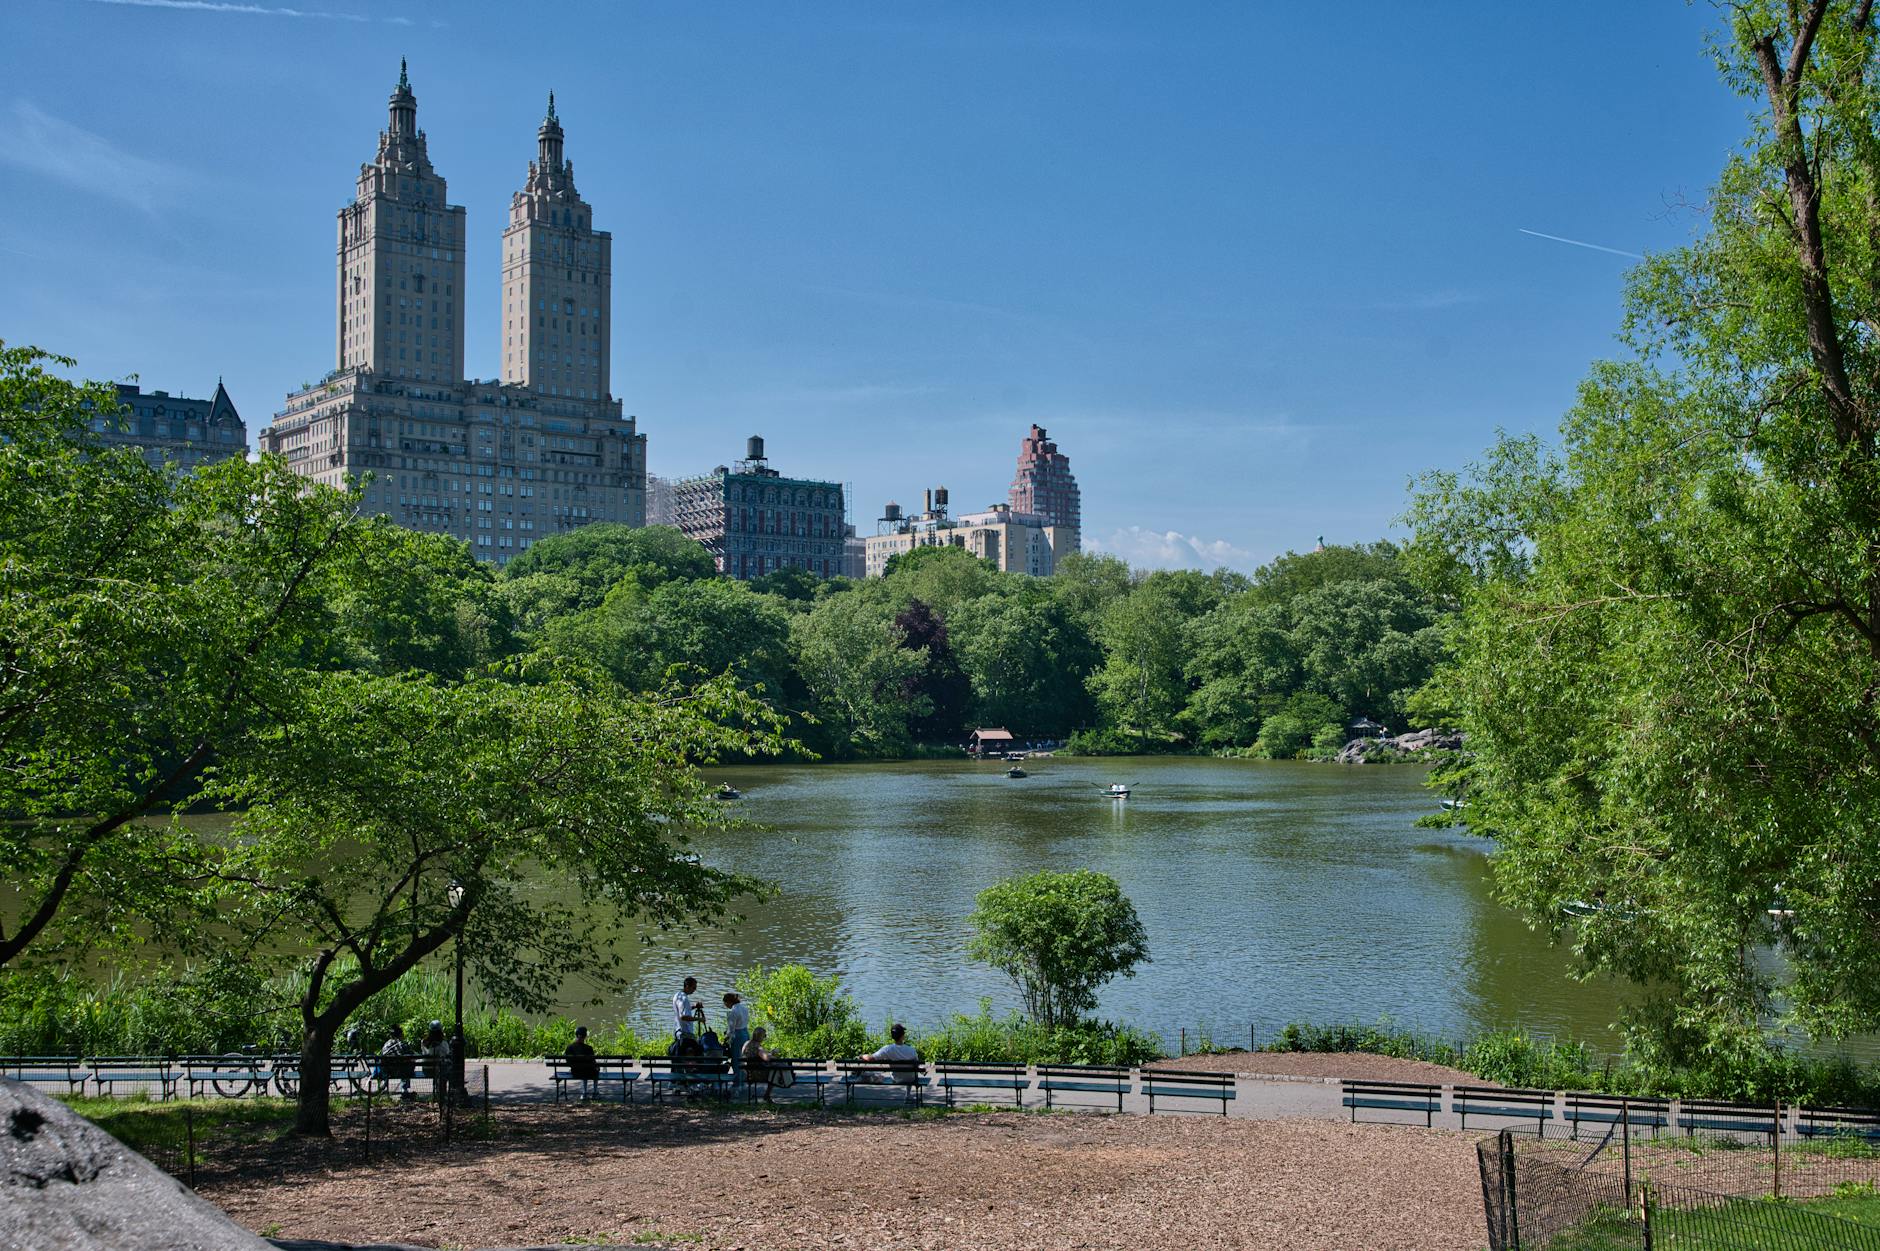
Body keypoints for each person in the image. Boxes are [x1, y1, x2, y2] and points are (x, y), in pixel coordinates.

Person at [853, 1023, 920, 1083]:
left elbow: (870, 1058)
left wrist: (861, 1056)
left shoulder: (888, 1049)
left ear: (892, 1036)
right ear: (903, 1036)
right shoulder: (911, 1050)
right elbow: (916, 1065)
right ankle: (907, 1095)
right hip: (911, 1079)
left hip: (896, 1078)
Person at [742, 1027, 784, 1103]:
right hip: (757, 1074)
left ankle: (766, 1096)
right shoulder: (758, 1047)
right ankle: (767, 1095)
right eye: (764, 1036)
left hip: (748, 1073)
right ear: (760, 1036)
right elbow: (767, 1058)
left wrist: (769, 1053)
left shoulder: (746, 1044)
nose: (765, 1037)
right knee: (774, 1073)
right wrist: (773, 1054)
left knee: (773, 1071)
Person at [379, 1024, 415, 1101]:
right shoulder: (403, 1044)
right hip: (401, 1072)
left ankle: (384, 1084)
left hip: (388, 1072)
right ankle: (404, 1088)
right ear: (400, 1034)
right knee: (407, 1065)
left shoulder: (386, 1045)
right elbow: (412, 1056)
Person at [724, 991, 751, 1088]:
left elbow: (731, 1030)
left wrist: (726, 1037)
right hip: (745, 1033)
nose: (725, 1006)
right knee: (743, 1060)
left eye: (725, 1003)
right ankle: (743, 1081)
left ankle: (737, 1083)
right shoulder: (744, 1008)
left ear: (729, 1002)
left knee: (736, 1060)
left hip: (737, 1036)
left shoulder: (733, 1012)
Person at [564, 1025, 599, 1100]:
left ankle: (584, 1093)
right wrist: (597, 1067)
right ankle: (595, 1093)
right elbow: (593, 1062)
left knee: (584, 1069)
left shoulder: (569, 1047)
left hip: (575, 1072)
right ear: (585, 1036)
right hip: (589, 1072)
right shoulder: (589, 1048)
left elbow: (568, 1062)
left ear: (577, 1035)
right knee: (594, 1070)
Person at [672, 977, 704, 1042]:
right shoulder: (684, 999)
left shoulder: (678, 995)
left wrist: (694, 1006)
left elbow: (683, 1010)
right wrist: (699, 1019)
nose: (695, 990)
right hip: (685, 1033)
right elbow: (683, 1017)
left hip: (678, 1031)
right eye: (694, 988)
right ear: (687, 986)